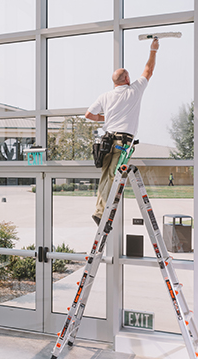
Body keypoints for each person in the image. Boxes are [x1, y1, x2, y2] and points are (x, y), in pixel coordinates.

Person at [85, 38, 160, 225]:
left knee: (105, 176)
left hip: (106, 141)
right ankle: (102, 214)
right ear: (127, 79)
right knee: (113, 175)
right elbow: (148, 71)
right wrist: (153, 49)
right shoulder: (133, 90)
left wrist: (107, 118)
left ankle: (98, 210)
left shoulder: (106, 96)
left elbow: (89, 114)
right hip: (122, 143)